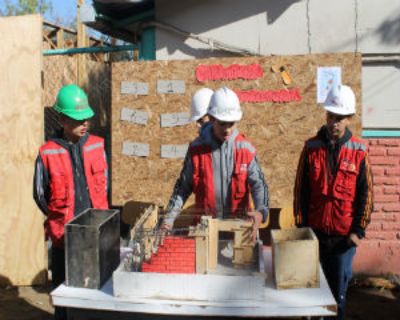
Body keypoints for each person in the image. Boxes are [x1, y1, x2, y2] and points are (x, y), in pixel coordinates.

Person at [293, 85, 373, 320]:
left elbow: (366, 194)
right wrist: (302, 227)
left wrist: (358, 231)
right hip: (315, 236)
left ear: (349, 119)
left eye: (339, 118)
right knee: (310, 295)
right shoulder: (311, 148)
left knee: (336, 298)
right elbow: (300, 190)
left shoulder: (359, 151)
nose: (334, 123)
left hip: (343, 240)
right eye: (330, 117)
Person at [33, 84, 109, 320]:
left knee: (95, 292)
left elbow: (105, 183)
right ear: (63, 120)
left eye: (86, 117)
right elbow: (39, 194)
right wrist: (60, 216)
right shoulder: (47, 153)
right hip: (63, 240)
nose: (85, 123)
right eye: (78, 119)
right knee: (63, 296)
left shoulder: (97, 145)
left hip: (95, 234)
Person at [162, 87, 269, 238]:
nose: (227, 129)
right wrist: (168, 220)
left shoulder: (245, 149)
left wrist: (261, 211)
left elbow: (259, 184)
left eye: (231, 124)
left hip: (240, 232)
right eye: (222, 123)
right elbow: (182, 188)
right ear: (212, 119)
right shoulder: (196, 150)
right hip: (205, 233)